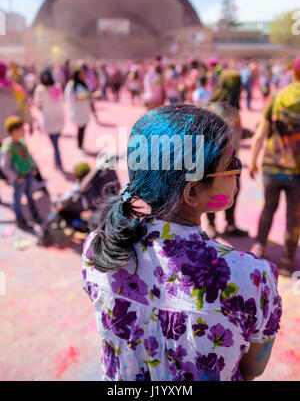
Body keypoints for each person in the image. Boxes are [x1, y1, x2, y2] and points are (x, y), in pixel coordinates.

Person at [82, 104, 282, 382]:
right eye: (231, 164)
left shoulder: (98, 248)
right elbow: (252, 370)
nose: (238, 170)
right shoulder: (251, 278)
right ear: (192, 192)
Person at [249, 55, 300, 277]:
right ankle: (288, 261)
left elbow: (261, 132)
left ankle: (259, 246)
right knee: (294, 217)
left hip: (271, 164)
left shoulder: (278, 96)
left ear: (293, 72)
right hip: (297, 170)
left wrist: (252, 160)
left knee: (268, 207)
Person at [208, 68, 248, 237]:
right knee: (213, 190)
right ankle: (212, 225)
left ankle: (228, 223)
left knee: (233, 190)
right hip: (217, 161)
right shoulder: (219, 109)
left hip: (230, 160)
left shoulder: (229, 107)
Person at [0, 116, 42, 229]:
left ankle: (34, 213)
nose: (24, 131)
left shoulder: (22, 142)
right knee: (17, 200)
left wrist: (32, 166)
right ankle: (19, 219)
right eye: (21, 129)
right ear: (14, 131)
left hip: (28, 174)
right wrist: (15, 176)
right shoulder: (8, 148)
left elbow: (28, 155)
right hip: (19, 178)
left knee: (30, 195)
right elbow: (5, 166)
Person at [34, 68, 64, 170]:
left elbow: (38, 104)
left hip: (48, 120)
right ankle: (57, 162)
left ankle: (58, 163)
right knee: (56, 143)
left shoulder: (40, 90)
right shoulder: (57, 87)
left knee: (54, 144)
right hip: (59, 118)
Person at [65, 67, 91, 151]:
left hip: (84, 109)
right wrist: (78, 97)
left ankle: (81, 144)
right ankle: (79, 144)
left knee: (83, 127)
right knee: (80, 127)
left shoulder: (84, 83)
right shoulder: (72, 84)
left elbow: (87, 94)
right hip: (77, 109)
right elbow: (69, 96)